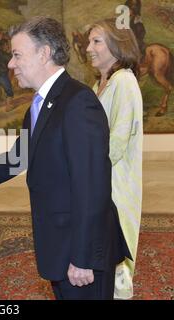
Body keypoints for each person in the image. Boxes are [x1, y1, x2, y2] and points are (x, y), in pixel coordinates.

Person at [0, 16, 131, 300]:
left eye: (17, 55)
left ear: (44, 54)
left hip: (81, 248)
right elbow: (19, 157)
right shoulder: (40, 104)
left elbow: (92, 186)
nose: (10, 64)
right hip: (59, 241)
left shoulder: (77, 102)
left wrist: (83, 256)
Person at [86, 18, 143, 300]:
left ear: (117, 46)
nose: (88, 48)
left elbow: (117, 142)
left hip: (115, 183)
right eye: (89, 41)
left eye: (96, 41)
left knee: (117, 256)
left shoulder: (124, 81)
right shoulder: (103, 81)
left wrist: (85, 173)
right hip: (101, 180)